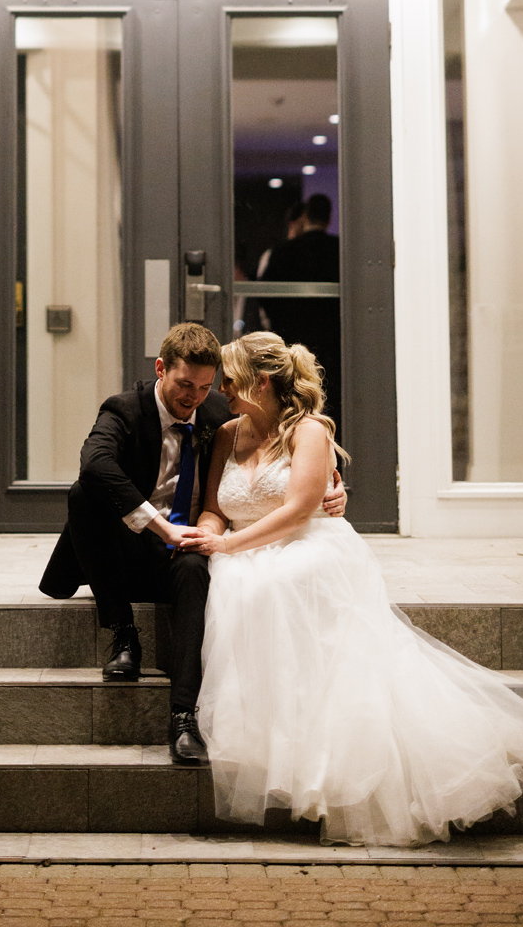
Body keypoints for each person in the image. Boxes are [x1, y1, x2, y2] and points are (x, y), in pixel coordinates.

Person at [193, 330, 523, 844]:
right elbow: (213, 508)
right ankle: (266, 743)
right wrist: (208, 536)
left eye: (231, 378)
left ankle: (327, 757)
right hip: (243, 551)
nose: (223, 387)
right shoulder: (226, 433)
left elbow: (298, 511)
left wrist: (232, 546)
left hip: (301, 546)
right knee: (236, 586)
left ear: (261, 381)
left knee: (280, 582)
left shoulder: (308, 431)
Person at [35, 321, 345, 765]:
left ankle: (183, 716)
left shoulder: (222, 413)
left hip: (188, 547)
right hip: (132, 544)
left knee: (197, 568)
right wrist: (164, 528)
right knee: (84, 494)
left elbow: (294, 452)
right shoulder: (124, 409)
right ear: (161, 369)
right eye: (185, 385)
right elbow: (95, 463)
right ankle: (123, 634)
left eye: (205, 387)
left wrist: (333, 489)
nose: (194, 397)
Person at [258, 193, 340, 282]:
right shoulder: (339, 249)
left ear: (305, 217)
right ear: (329, 220)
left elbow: (267, 289)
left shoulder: (283, 251)